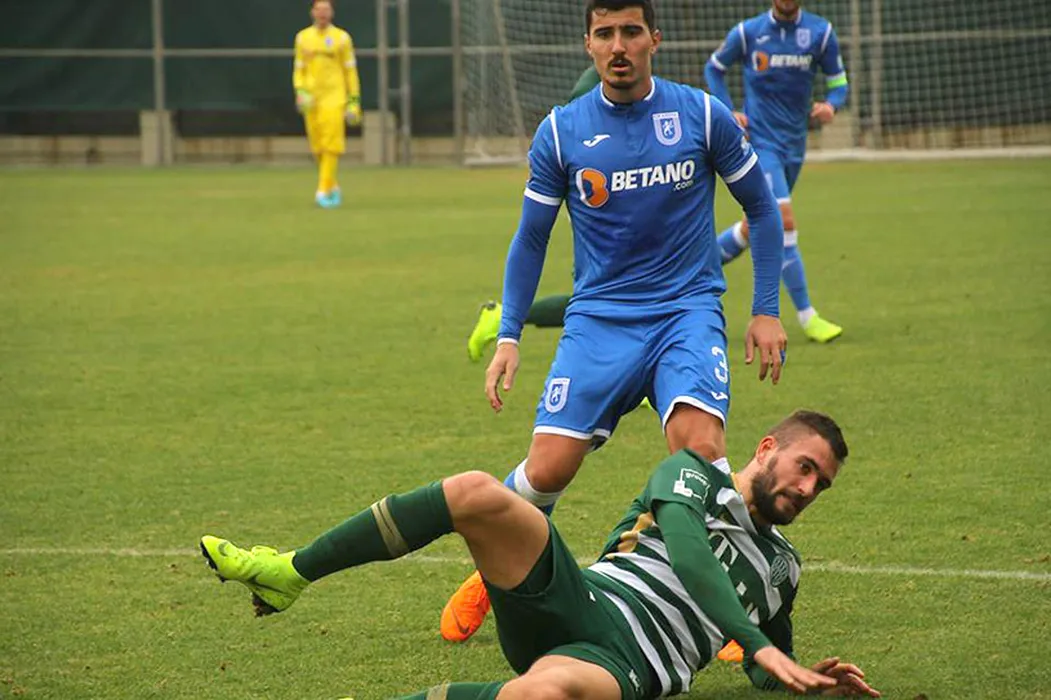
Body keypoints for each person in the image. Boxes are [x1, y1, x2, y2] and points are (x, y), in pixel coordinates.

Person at [445, 0, 789, 644]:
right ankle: (494, 568)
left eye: (631, 31)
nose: (618, 45)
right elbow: (531, 238)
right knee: (547, 470)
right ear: (588, 45)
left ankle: (730, 608)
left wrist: (765, 310)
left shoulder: (701, 114)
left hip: (686, 312)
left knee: (701, 453)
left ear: (654, 39)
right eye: (605, 34)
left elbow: (763, 210)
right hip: (601, 321)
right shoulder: (561, 131)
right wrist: (510, 334)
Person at [199, 410, 880, 699]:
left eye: (820, 483)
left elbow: (766, 663)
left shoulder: (784, 567)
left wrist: (797, 674)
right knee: (476, 491)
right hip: (583, 596)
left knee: (540, 692)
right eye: (804, 467)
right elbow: (687, 552)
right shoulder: (692, 474)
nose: (807, 488)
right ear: (767, 448)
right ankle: (290, 572)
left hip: (627, 664)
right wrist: (755, 645)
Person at [704, 0, 849, 343]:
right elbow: (714, 68)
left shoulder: (821, 33)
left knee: (754, 226)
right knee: (782, 221)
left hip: (795, 147)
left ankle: (689, 268)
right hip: (760, 145)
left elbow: (839, 82)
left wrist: (832, 105)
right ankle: (808, 316)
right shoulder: (749, 32)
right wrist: (728, 110)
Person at [466, 65, 599, 363]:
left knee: (611, 296)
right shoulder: (596, 85)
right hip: (599, 198)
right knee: (604, 296)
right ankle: (506, 316)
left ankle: (504, 315)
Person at [293, 0, 362, 209]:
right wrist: (300, 91)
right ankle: (332, 184)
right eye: (319, 9)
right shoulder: (303, 38)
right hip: (311, 98)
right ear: (312, 12)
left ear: (332, 13)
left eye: (326, 9)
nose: (322, 13)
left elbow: (350, 72)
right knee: (317, 146)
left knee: (331, 142)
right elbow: (299, 69)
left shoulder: (342, 38)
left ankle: (322, 190)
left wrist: (353, 101)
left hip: (334, 96)